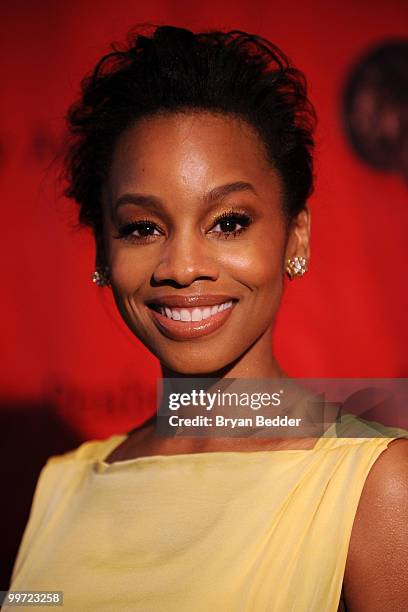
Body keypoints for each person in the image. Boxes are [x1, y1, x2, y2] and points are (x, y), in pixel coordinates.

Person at [5, 25, 408, 612]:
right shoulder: (63, 487)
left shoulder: (376, 486)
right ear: (102, 253)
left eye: (228, 222)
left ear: (295, 235)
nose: (183, 267)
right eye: (143, 227)